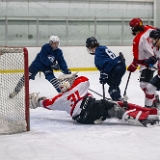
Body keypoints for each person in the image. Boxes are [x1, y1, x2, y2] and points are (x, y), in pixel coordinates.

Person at [29, 72, 159, 127]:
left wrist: (38, 100)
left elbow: (47, 104)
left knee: (115, 105)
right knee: (115, 108)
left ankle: (101, 116)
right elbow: (84, 79)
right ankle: (144, 118)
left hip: (81, 118)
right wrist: (75, 79)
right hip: (90, 107)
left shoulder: (59, 98)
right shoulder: (78, 86)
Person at [127, 18, 158, 107]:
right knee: (147, 84)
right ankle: (155, 98)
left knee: (144, 84)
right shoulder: (150, 28)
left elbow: (138, 58)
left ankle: (152, 102)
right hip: (157, 58)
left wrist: (133, 65)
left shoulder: (137, 39)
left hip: (150, 62)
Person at [85, 37, 126, 101]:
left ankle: (119, 101)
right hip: (121, 65)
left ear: (90, 47)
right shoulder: (102, 48)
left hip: (115, 69)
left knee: (112, 88)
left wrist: (104, 74)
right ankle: (120, 99)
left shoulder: (98, 53)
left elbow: (107, 63)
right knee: (113, 84)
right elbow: (110, 61)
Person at [144, 29, 160, 108]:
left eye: (153, 39)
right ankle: (148, 109)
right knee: (149, 88)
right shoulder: (156, 48)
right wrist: (152, 59)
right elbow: (156, 57)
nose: (152, 41)